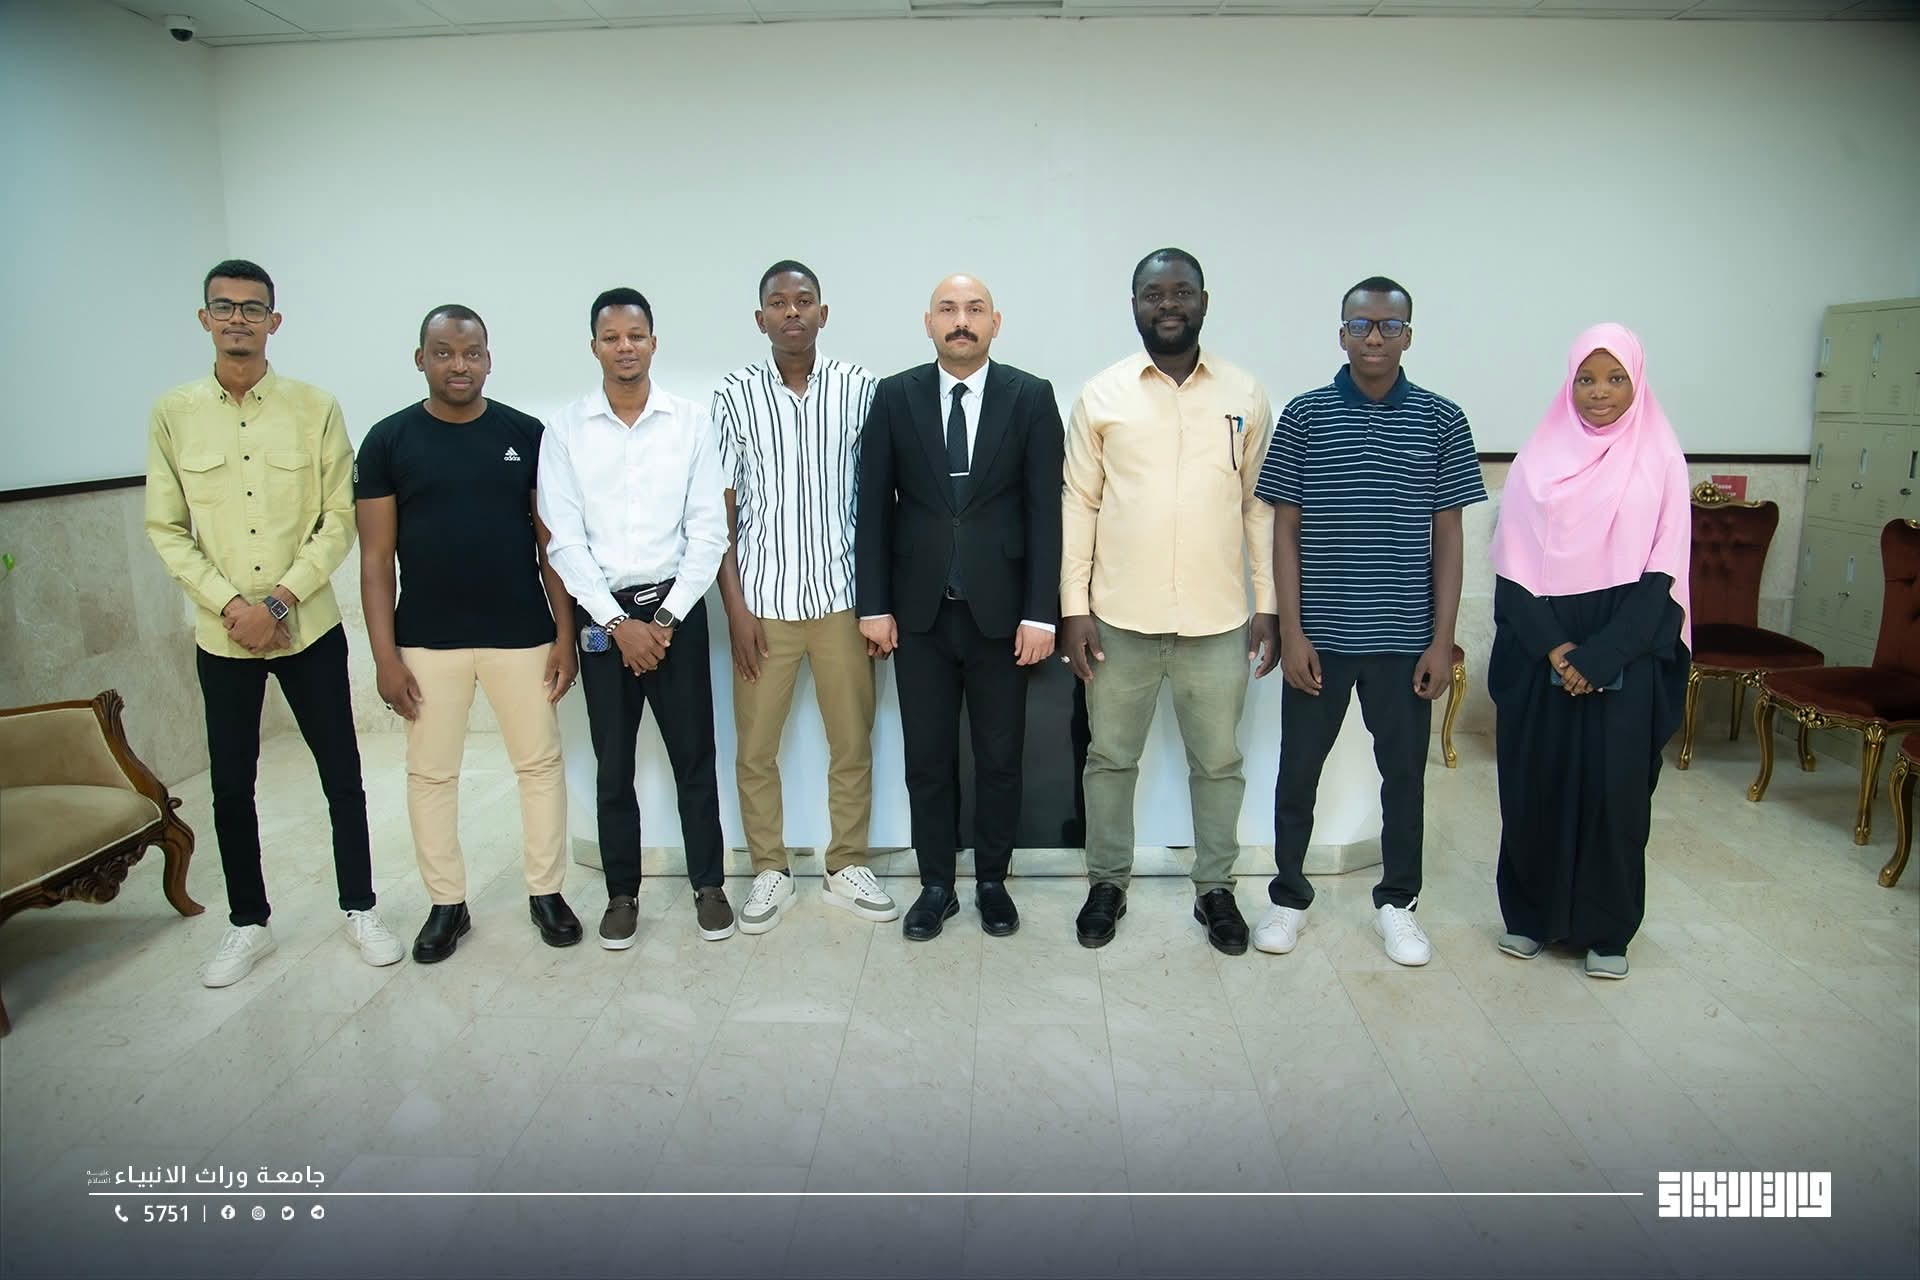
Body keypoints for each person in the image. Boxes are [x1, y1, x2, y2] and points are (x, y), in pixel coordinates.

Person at [146, 258, 403, 987]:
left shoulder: (315, 407)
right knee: (232, 785)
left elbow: (338, 518)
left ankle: (361, 908)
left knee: (342, 775)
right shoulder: (173, 413)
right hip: (222, 634)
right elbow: (166, 528)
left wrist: (280, 602)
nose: (238, 319)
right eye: (224, 307)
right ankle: (247, 923)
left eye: (252, 308)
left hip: (307, 626)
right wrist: (235, 608)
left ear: (274, 321)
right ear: (204, 319)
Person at [1254, 276, 1486, 967]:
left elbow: (1449, 538)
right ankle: (1288, 898)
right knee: (1298, 773)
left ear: (1408, 335)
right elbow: (1284, 531)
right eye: (1361, 325)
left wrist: (1441, 641)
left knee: (1404, 778)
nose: (1374, 337)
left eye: (1389, 326)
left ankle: (1398, 905)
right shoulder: (1305, 416)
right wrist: (1292, 631)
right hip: (1320, 641)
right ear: (1342, 334)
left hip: (1404, 641)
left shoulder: (1443, 419)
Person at [1059, 248, 1279, 954]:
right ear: (1134, 306)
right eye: (1154, 294)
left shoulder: (1244, 394)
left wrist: (1269, 603)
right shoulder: (1102, 395)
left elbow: (1258, 508)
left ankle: (1215, 889)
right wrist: (1073, 606)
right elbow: (1080, 503)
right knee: (1109, 760)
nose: (1168, 304)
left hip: (1217, 620)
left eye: (1181, 292)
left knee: (1218, 764)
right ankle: (1106, 883)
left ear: (1204, 302)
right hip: (1118, 619)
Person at [355, 304, 581, 964]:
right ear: (420, 359)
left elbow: (550, 548)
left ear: (488, 359)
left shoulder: (526, 434)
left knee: (539, 766)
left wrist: (564, 636)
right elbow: (375, 560)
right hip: (427, 641)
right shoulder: (388, 441)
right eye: (445, 352)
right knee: (431, 773)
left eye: (472, 353)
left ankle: (546, 892)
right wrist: (384, 657)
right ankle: (446, 904)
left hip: (522, 634)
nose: (460, 364)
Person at [857, 273, 1065, 940]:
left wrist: (1042, 612)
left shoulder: (1030, 396)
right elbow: (872, 509)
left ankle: (993, 883)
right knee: (927, 760)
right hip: (917, 617)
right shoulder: (895, 396)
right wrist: (873, 604)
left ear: (995, 323)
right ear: (929, 323)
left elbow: (1046, 512)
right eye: (948, 309)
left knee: (1000, 759)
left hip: (1003, 618)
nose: (961, 321)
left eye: (975, 309)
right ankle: (936, 886)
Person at [1487, 323, 1691, 981]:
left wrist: (1601, 659)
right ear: (1568, 384)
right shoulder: (1537, 459)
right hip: (1542, 645)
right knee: (1535, 786)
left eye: (1615, 378)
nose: (1599, 392)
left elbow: (1664, 574)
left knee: (1615, 795)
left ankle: (1607, 931)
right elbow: (1512, 571)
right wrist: (1557, 650)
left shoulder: (1661, 459)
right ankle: (1529, 917)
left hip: (1628, 648)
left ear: (1637, 382)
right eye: (1586, 378)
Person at [537, 287, 732, 947]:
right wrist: (619, 625)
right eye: (611, 337)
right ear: (594, 346)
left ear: (653, 342)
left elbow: (709, 531)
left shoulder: (691, 422)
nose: (625, 347)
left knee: (695, 757)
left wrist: (665, 619)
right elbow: (563, 540)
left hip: (677, 609)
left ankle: (710, 886)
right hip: (603, 620)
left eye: (635, 336)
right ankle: (622, 894)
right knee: (612, 764)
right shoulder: (565, 430)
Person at [713, 261, 896, 934]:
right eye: (778, 302)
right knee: (755, 749)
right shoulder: (733, 394)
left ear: (823, 313)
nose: (792, 312)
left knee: (852, 743)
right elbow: (721, 512)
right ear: (760, 318)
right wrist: (735, 609)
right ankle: (769, 869)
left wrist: (878, 603)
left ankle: (847, 864)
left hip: (844, 600)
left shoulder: (861, 389)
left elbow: (882, 500)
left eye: (804, 300)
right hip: (762, 606)